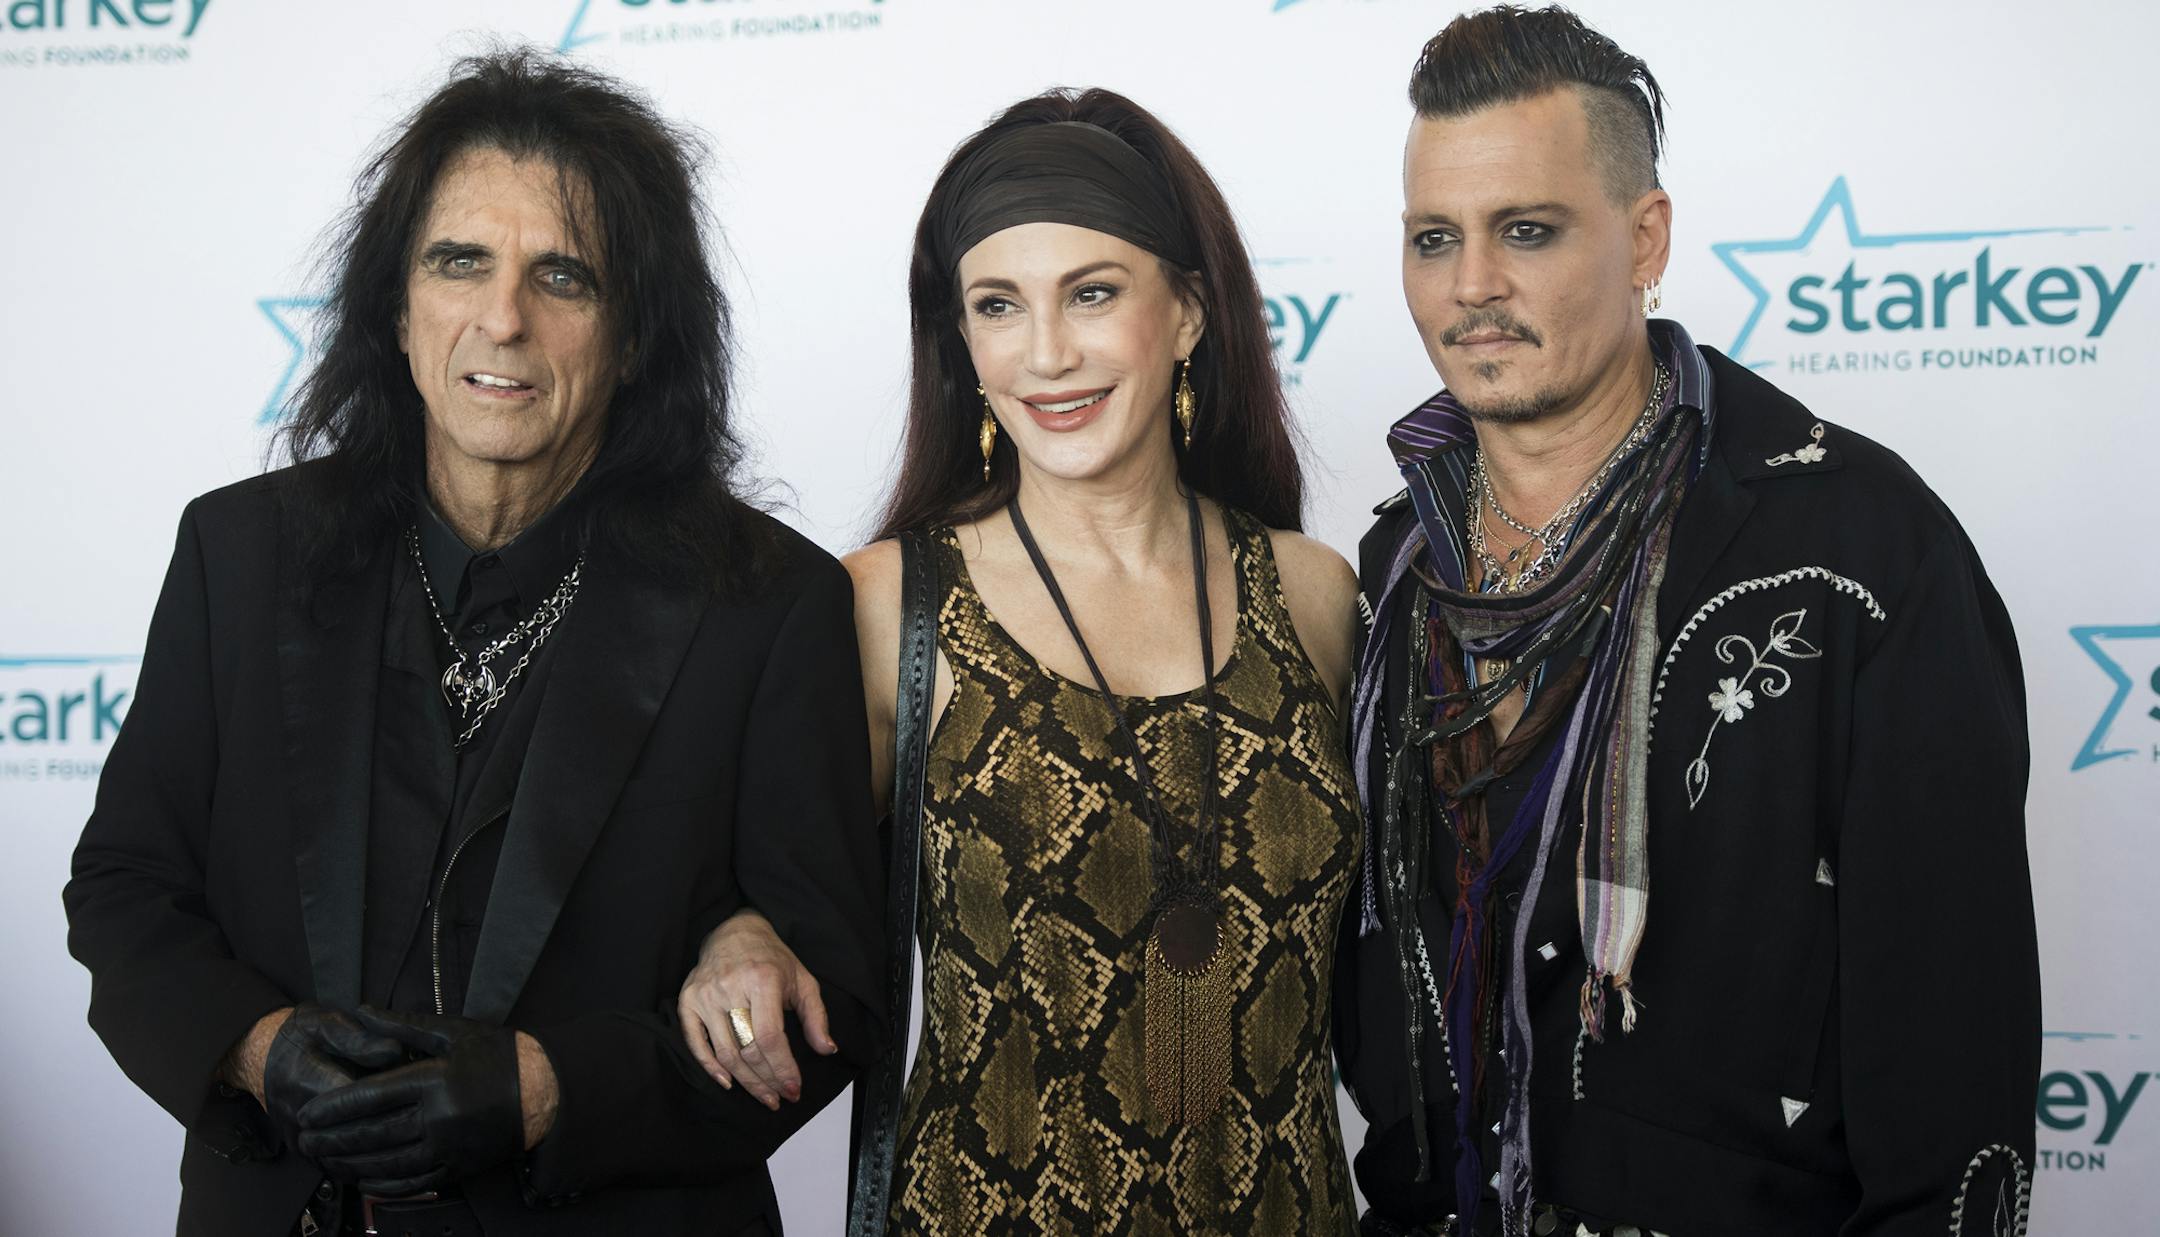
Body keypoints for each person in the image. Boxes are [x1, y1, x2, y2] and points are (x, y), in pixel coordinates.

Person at [63, 48, 884, 1236]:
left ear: (638, 334)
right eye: (461, 262)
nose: (504, 318)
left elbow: (834, 995)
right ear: (397, 306)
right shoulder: (236, 555)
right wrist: (255, 1050)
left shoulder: (768, 602)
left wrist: (549, 1092)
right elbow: (127, 887)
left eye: (566, 275)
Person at [1335, 8, 2040, 1236]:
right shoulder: (1402, 557)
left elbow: (1950, 1052)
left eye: (1530, 232)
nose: (1473, 287)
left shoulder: (1859, 554)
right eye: (1434, 238)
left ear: (1645, 237)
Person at [677, 88, 1365, 1235]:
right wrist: (734, 932)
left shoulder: (1312, 591)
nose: (1048, 353)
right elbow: (736, 866)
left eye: (1093, 293)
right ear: (964, 342)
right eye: (999, 305)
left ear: (1188, 314)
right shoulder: (891, 602)